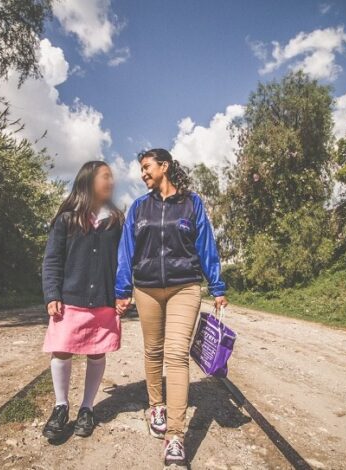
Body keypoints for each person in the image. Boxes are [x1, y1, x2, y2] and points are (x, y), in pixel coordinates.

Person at [115, 148, 227, 468]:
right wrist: (122, 290)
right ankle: (156, 406)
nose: (142, 173)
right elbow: (126, 251)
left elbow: (206, 245)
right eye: (141, 169)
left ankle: (175, 435)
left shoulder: (191, 203)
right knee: (153, 350)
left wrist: (217, 286)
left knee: (176, 354)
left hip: (185, 286)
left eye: (147, 167)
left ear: (164, 166)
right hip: (146, 289)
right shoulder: (138, 207)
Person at [41, 161, 125, 440]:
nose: (110, 181)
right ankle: (61, 406)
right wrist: (52, 293)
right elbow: (52, 260)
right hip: (70, 300)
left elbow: (124, 261)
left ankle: (87, 408)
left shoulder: (116, 221)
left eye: (111, 177)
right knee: (62, 350)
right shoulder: (67, 219)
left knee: (96, 352)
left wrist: (124, 292)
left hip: (103, 300)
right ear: (89, 181)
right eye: (105, 176)